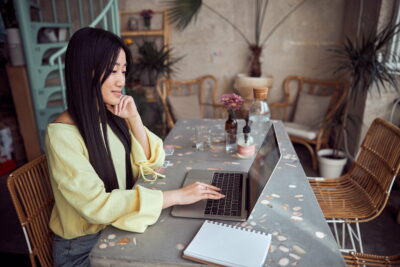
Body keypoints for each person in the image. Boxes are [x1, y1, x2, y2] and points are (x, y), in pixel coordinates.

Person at [45, 27, 224, 267]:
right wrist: (176, 196)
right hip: (84, 248)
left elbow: (154, 161)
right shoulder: (61, 135)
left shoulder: (110, 114)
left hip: (117, 227)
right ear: (84, 72)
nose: (121, 80)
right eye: (112, 70)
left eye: (123, 70)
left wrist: (134, 119)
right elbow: (96, 205)